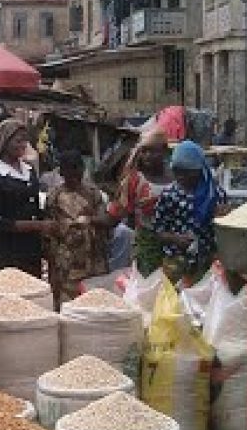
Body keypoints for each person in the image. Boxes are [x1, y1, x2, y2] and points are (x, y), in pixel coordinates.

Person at [0, 118, 54, 277]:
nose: (23, 145)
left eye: (25, 141)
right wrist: (36, 226)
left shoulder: (29, 170)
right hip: (8, 251)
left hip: (31, 250)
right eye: (18, 141)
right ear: (5, 142)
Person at [152, 140, 227, 283]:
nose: (181, 177)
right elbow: (158, 231)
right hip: (175, 262)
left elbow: (223, 231)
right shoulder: (169, 195)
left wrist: (222, 218)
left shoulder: (215, 194)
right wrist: (175, 239)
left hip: (207, 263)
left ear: (200, 169)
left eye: (187, 172)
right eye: (177, 171)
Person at [103, 129, 174, 275]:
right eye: (144, 151)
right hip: (147, 250)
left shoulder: (177, 177)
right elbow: (116, 214)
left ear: (165, 151)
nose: (147, 156)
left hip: (176, 248)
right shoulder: (134, 181)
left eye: (153, 151)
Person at [46, 150, 110, 305]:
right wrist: (52, 268)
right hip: (66, 262)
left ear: (82, 169)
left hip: (94, 259)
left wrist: (88, 220)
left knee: (94, 302)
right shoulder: (54, 196)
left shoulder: (93, 194)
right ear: (61, 172)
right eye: (68, 169)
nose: (73, 174)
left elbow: (105, 220)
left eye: (76, 168)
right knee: (69, 305)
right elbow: (49, 234)